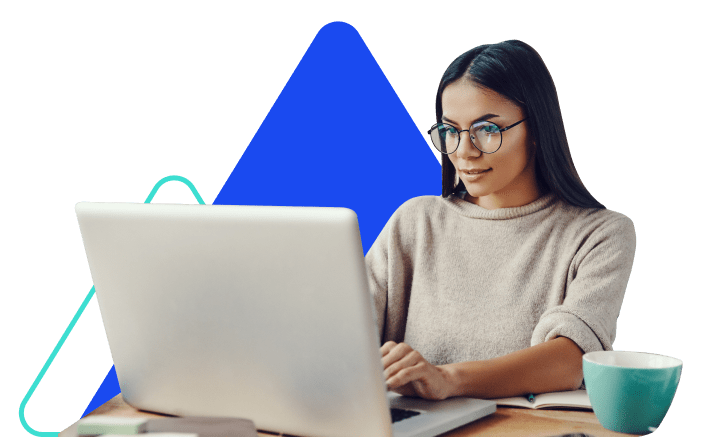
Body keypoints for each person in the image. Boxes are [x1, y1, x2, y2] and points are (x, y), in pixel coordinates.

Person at [365, 40, 636, 401]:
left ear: (536, 129)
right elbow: (346, 329)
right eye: (450, 131)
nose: (464, 151)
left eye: (487, 130)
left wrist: (448, 379)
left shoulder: (599, 234)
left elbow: (570, 360)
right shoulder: (414, 221)